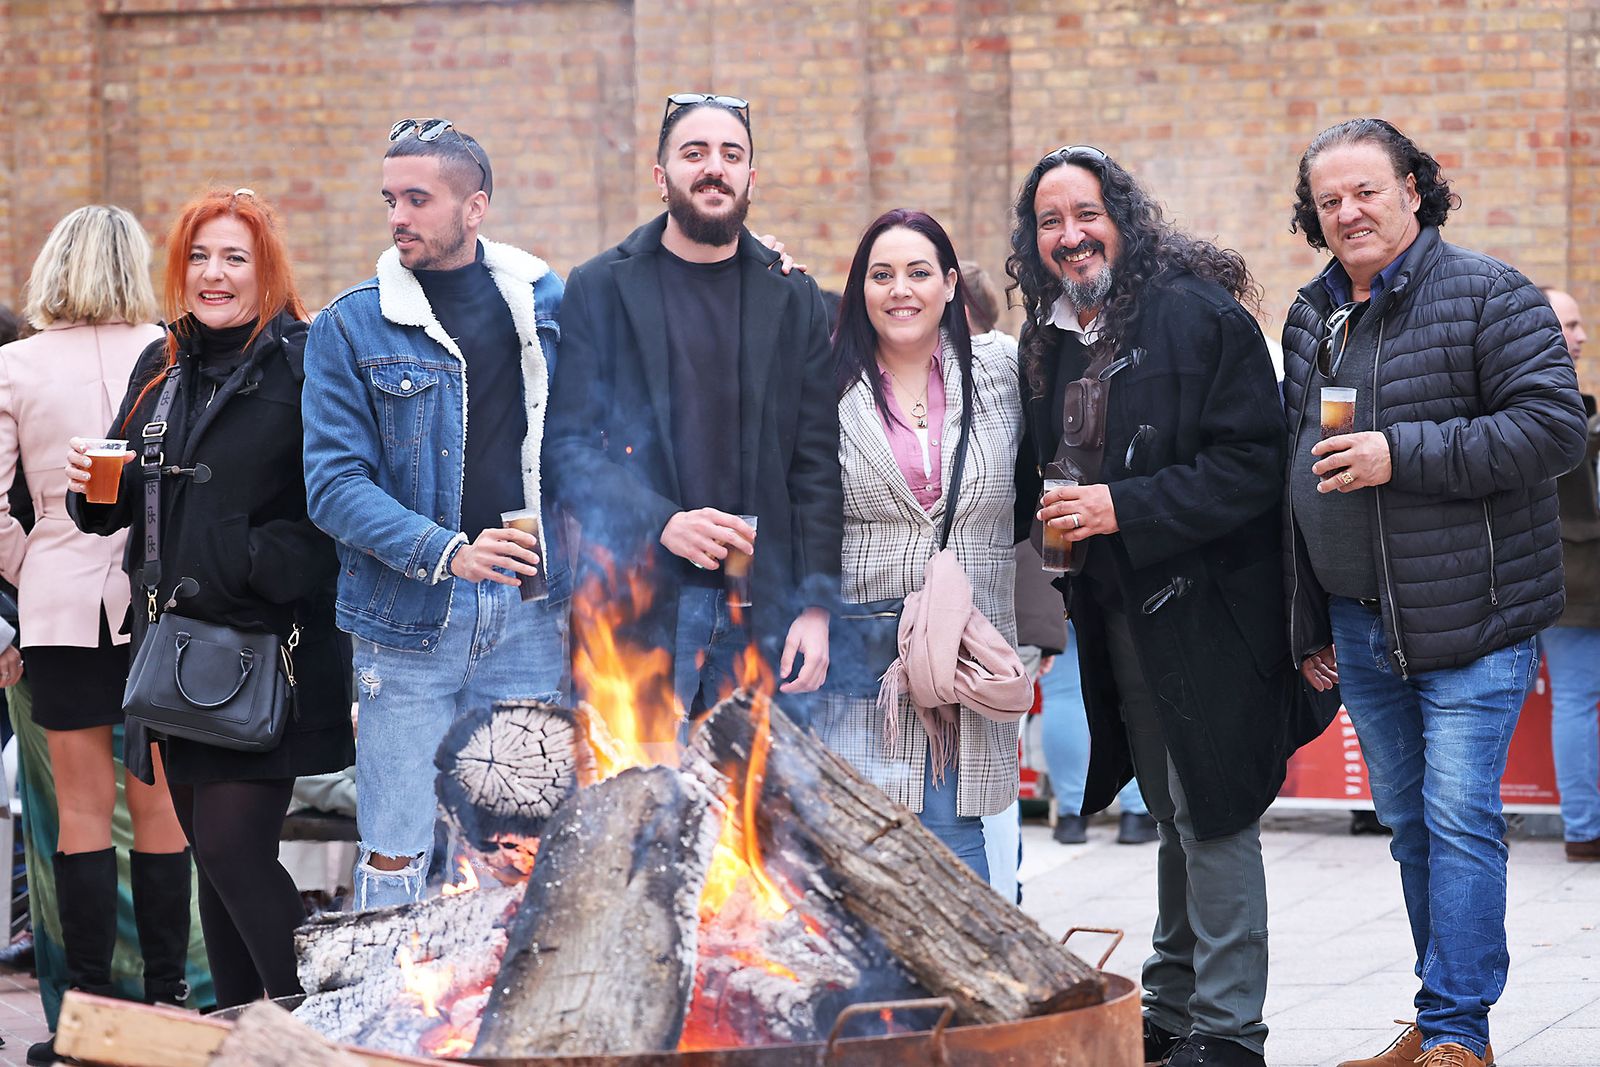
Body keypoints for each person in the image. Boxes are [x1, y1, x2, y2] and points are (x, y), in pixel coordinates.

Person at [1282, 119, 1586, 1067]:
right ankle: (1446, 1017)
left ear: (1414, 187)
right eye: (1329, 200)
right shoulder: (1310, 314)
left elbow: (1551, 431)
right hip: (1360, 623)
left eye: (1366, 190)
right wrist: (1305, 617)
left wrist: (1396, 453)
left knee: (1457, 820)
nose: (1348, 212)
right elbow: (1291, 475)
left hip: (1475, 620)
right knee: (1411, 826)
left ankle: (1458, 1032)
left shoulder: (1492, 295)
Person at [1012, 145, 1309, 1067]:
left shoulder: (1196, 314)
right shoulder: (1053, 335)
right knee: (1176, 812)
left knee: (1214, 809)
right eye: (1050, 220)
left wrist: (1118, 506)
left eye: (1086, 214)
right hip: (1120, 609)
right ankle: (1176, 1003)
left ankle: (1228, 1031)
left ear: (1125, 219)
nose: (1070, 235)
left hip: (1213, 611)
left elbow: (1253, 467)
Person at [68, 189, 354, 1011]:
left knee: (232, 850)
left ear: (267, 269)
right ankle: (237, 1030)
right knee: (214, 860)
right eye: (199, 256)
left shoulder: (306, 359)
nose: (214, 274)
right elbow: (123, 495)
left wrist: (248, 558)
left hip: (268, 651)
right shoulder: (160, 363)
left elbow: (331, 507)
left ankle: (315, 1020)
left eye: (235, 257)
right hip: (174, 656)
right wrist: (95, 495)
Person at [303, 121, 569, 908]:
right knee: (395, 854)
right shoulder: (351, 323)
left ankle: (499, 1020)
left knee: (516, 850)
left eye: (418, 199)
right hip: (407, 617)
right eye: (390, 199)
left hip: (529, 616)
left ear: (475, 206)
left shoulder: (542, 302)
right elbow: (332, 484)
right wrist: (447, 551)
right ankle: (385, 1025)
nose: (398, 217)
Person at [545, 94, 839, 722]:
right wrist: (664, 522)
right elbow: (567, 451)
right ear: (662, 176)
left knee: (749, 815)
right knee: (641, 809)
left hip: (762, 615)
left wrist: (817, 608)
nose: (715, 167)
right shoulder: (600, 287)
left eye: (732, 155)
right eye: (695, 153)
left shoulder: (793, 296)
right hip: (640, 610)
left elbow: (815, 463)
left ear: (751, 177)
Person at [0, 207, 188, 1060]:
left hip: (61, 606)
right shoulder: (174, 351)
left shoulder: (14, 366)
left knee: (79, 812)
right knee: (161, 813)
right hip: (165, 607)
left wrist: (32, 560)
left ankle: (85, 1018)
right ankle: (168, 1011)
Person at [814, 209, 1023, 883]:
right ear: (860, 289)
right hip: (865, 652)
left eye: (918, 272)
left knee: (953, 828)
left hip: (963, 649)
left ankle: (977, 983)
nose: (899, 289)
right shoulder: (823, 386)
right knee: (862, 840)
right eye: (881, 275)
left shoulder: (1001, 371)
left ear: (951, 284)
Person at [1540, 286, 1600, 864]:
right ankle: (1584, 829)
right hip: (1573, 580)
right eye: (1570, 325)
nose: (1580, 337)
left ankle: (1584, 828)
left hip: (1563, 579)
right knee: (1577, 700)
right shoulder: (1550, 401)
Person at [1038, 622, 1156, 844]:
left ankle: (1071, 817)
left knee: (1061, 692)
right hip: (1114, 590)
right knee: (1128, 687)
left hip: (1052, 594)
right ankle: (1136, 812)